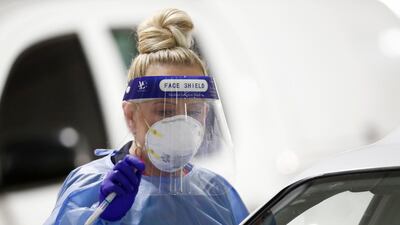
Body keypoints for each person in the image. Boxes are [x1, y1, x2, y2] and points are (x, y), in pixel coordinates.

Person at [44, 8, 249, 225]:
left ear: (206, 113)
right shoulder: (91, 188)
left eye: (194, 111)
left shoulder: (216, 193)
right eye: (165, 111)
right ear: (131, 116)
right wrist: (102, 218)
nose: (183, 123)